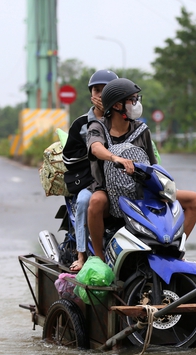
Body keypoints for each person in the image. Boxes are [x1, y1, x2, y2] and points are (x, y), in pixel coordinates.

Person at [86, 77, 196, 261]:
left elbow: (153, 164)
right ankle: (99, 257)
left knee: (194, 200)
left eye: (136, 99)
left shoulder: (142, 130)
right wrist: (115, 157)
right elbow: (96, 148)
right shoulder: (97, 127)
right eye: (132, 100)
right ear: (117, 106)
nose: (136, 104)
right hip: (110, 192)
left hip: (142, 190)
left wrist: (162, 187)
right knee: (95, 202)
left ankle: (175, 251)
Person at [63, 69, 119, 271]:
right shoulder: (80, 124)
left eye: (106, 91)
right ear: (91, 93)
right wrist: (95, 152)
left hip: (121, 180)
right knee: (85, 200)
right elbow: (68, 157)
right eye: (97, 90)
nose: (101, 95)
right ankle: (82, 255)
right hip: (91, 182)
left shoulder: (122, 119)